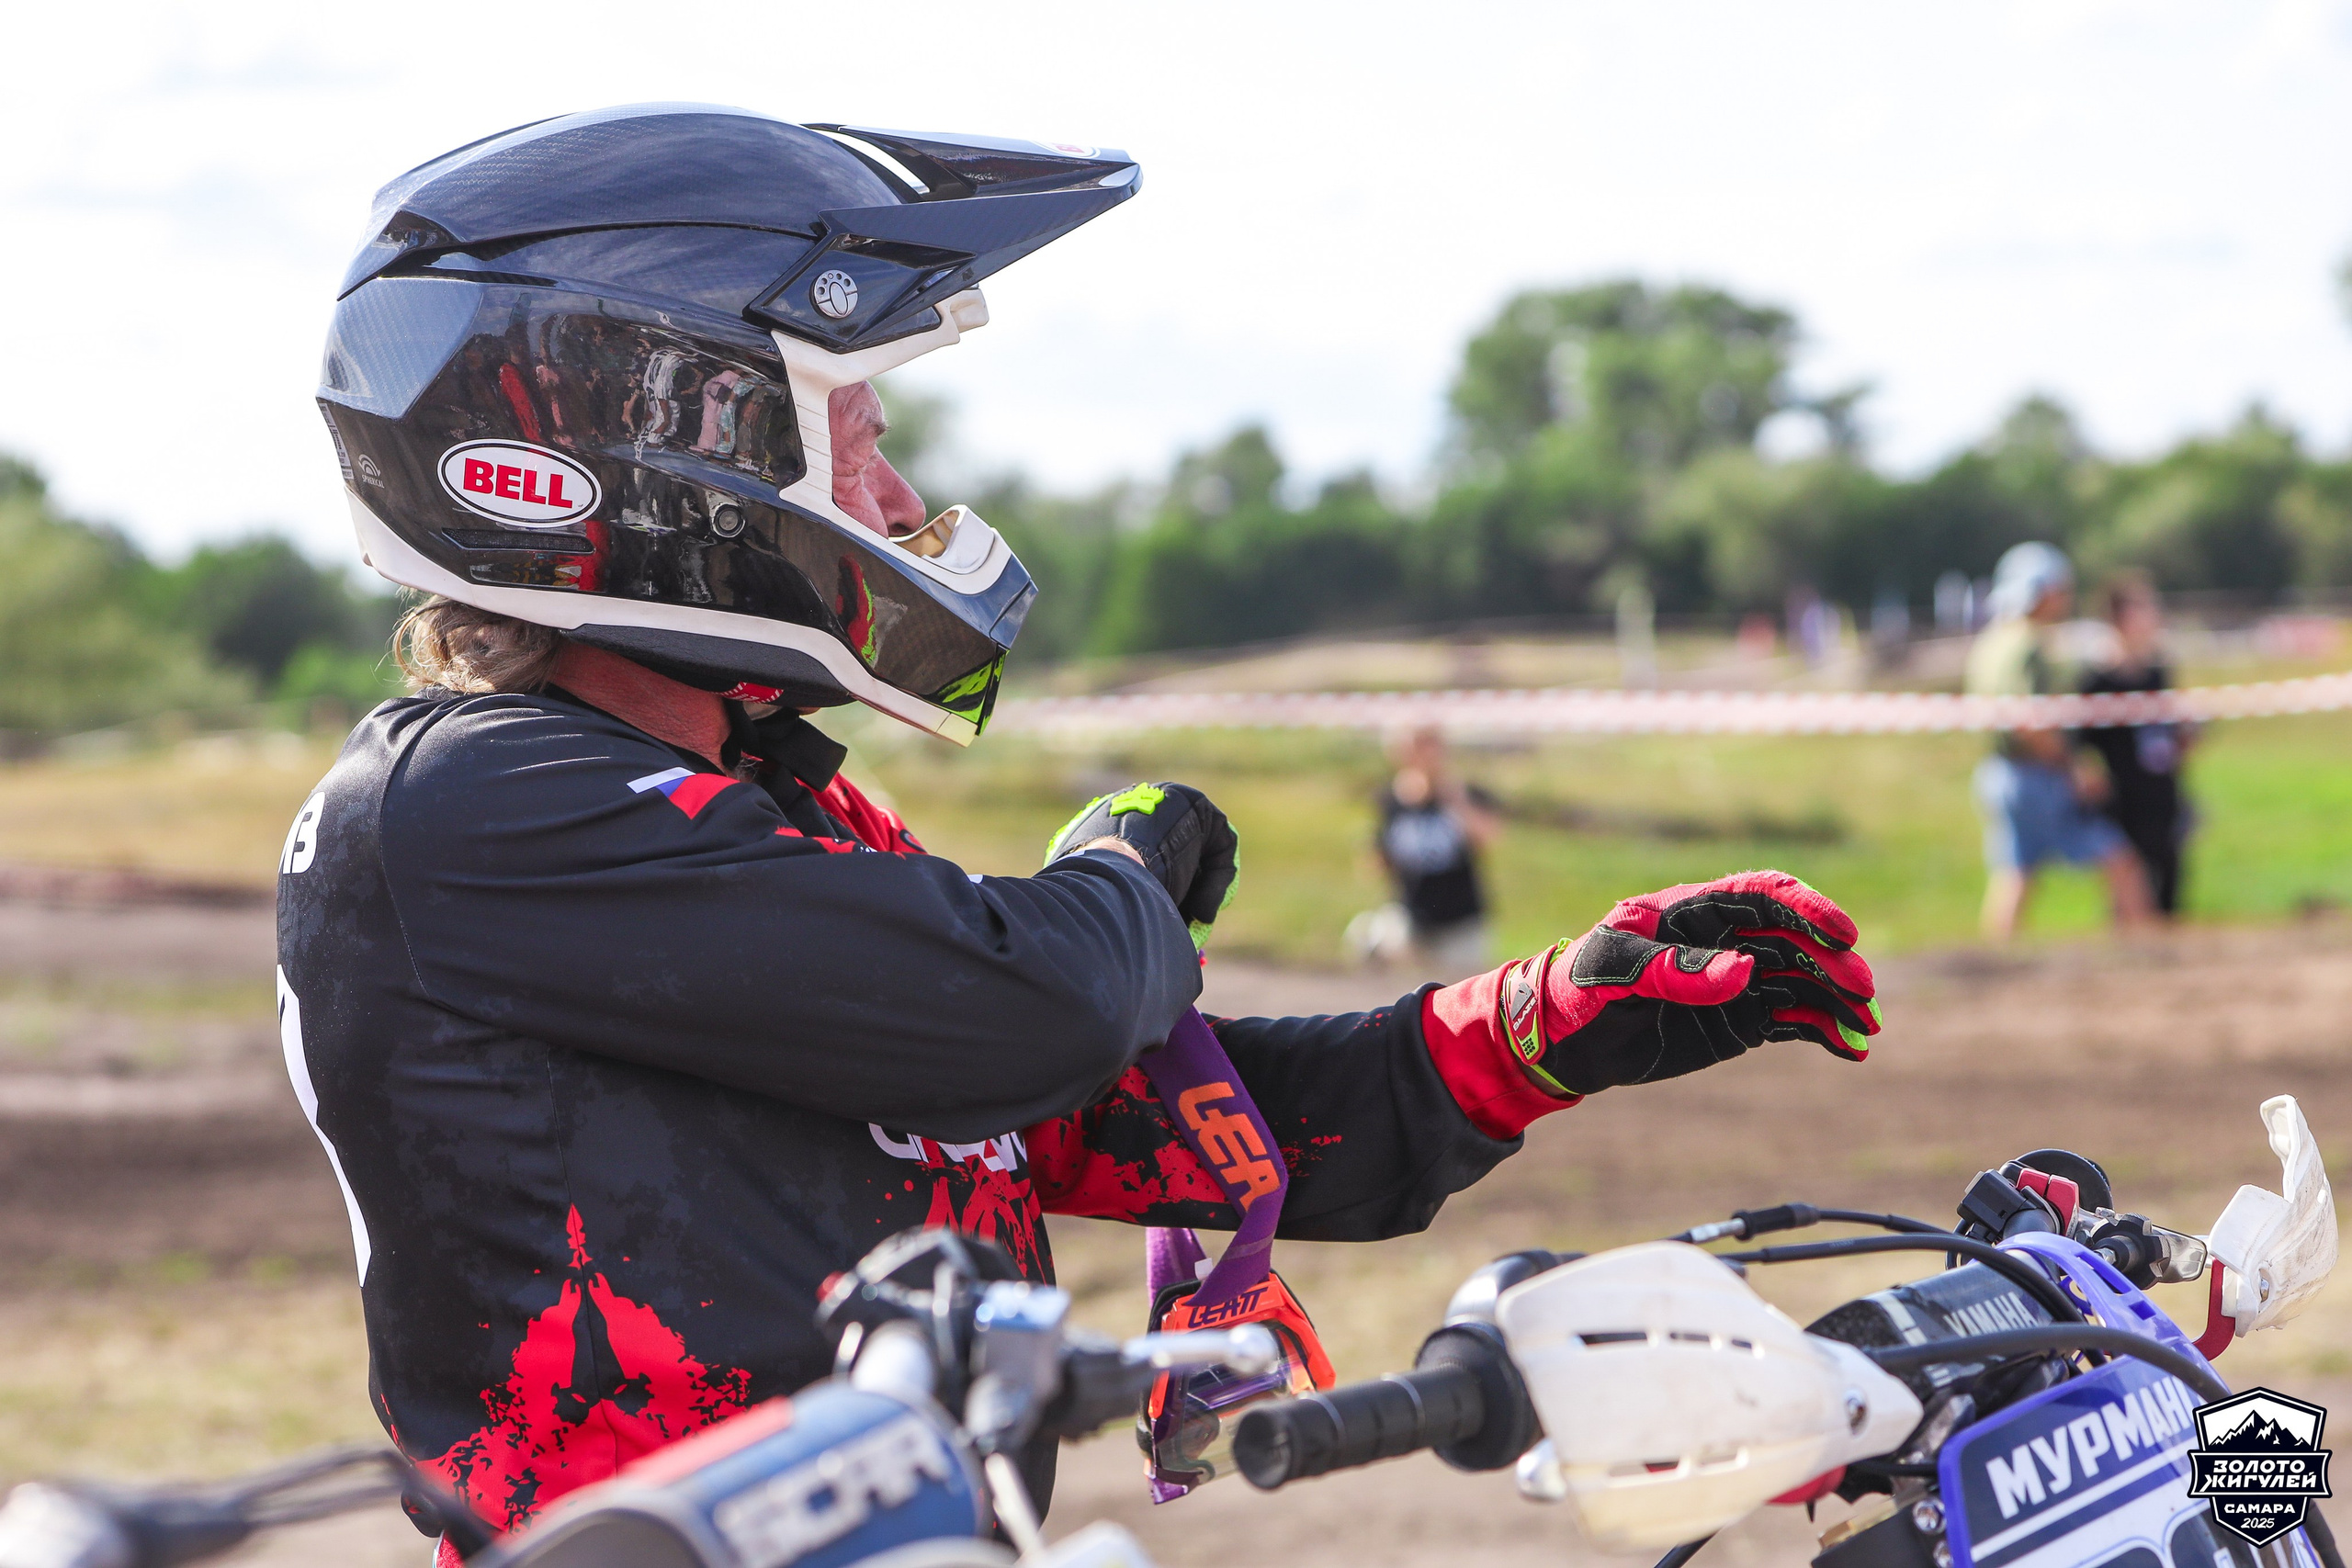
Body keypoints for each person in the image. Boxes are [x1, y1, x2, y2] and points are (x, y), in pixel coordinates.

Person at [284, 105, 1885, 1546]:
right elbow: (1031, 1006)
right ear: (666, 434)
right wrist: (1124, 861)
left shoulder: (756, 794)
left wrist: (1526, 1028)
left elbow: (1053, 1109)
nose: (893, 479)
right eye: (847, 410)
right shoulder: (462, 806)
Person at [1964, 542, 2154, 940]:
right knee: (2121, 861)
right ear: (2042, 591)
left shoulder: (1992, 641)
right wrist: (2072, 767)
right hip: (2036, 778)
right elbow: (2029, 723)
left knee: (2016, 874)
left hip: (2000, 776)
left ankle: (1992, 966)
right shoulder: (2029, 646)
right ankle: (2147, 954)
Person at [2077, 572, 2194, 918]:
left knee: (2171, 889)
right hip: (2122, 802)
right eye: (2144, 607)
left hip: (2162, 794)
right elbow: (2083, 746)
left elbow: (2171, 733)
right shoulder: (2095, 679)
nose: (2154, 615)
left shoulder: (2159, 672)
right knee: (2128, 895)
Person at [1362, 726, 1501, 979]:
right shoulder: (1391, 800)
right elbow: (1377, 860)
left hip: (1460, 918)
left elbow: (1488, 837)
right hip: (1413, 915)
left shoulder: (1463, 794)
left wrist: (1451, 797)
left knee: (1463, 994)